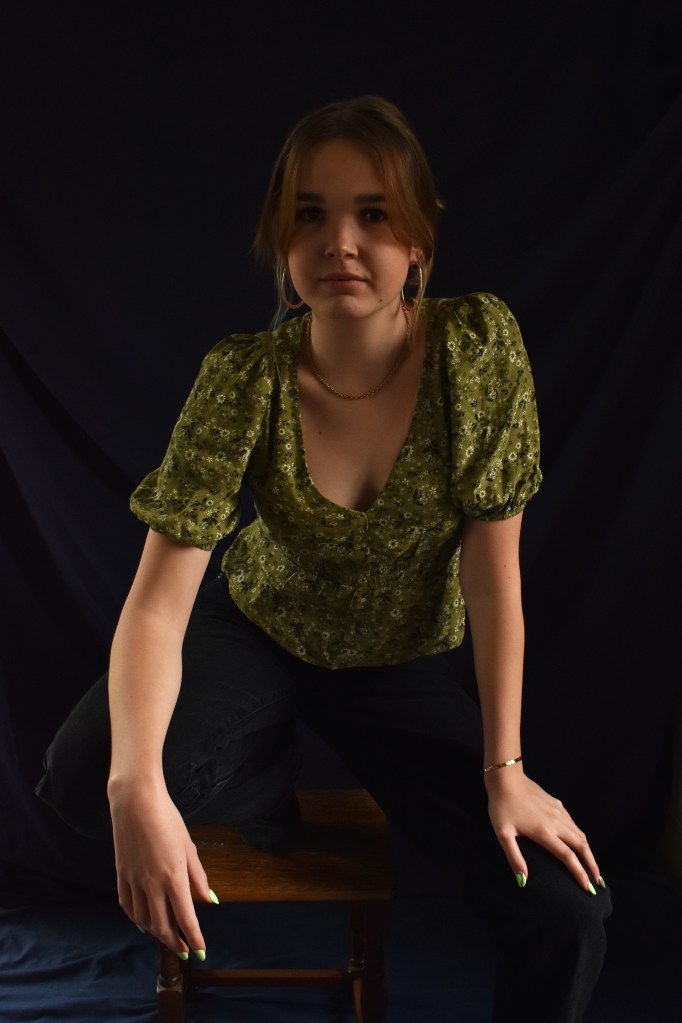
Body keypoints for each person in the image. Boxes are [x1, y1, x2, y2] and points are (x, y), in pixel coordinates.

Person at [37, 95, 611, 1021]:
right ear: (282, 239)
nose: (341, 241)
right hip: (257, 628)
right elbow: (156, 604)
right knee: (86, 776)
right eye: (311, 214)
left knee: (565, 908)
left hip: (399, 662)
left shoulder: (474, 349)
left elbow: (492, 578)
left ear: (418, 238)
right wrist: (136, 784)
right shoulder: (245, 375)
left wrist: (504, 768)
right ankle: (266, 768)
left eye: (373, 214)